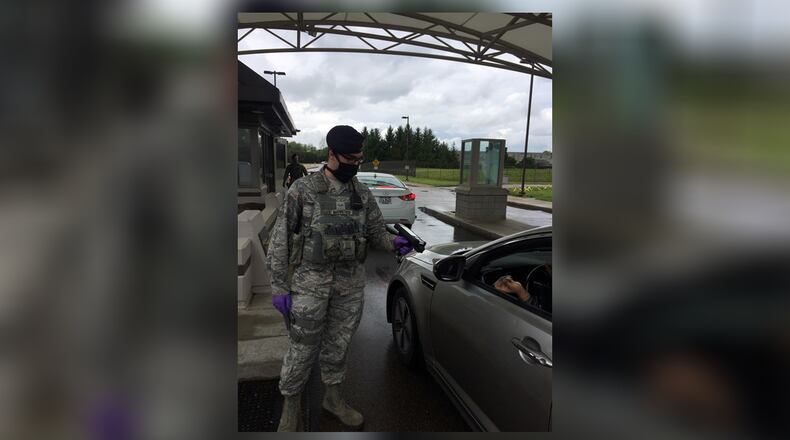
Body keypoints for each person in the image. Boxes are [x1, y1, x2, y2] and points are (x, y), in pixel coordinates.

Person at [267, 125, 413, 431]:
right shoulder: (303, 190)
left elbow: (374, 231)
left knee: (339, 345)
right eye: (349, 159)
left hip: (349, 287)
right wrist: (279, 286)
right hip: (309, 285)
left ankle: (333, 398)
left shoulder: (361, 192)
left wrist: (393, 242)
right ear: (331, 154)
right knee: (302, 349)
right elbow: (280, 240)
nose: (354, 165)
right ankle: (290, 408)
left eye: (359, 159)